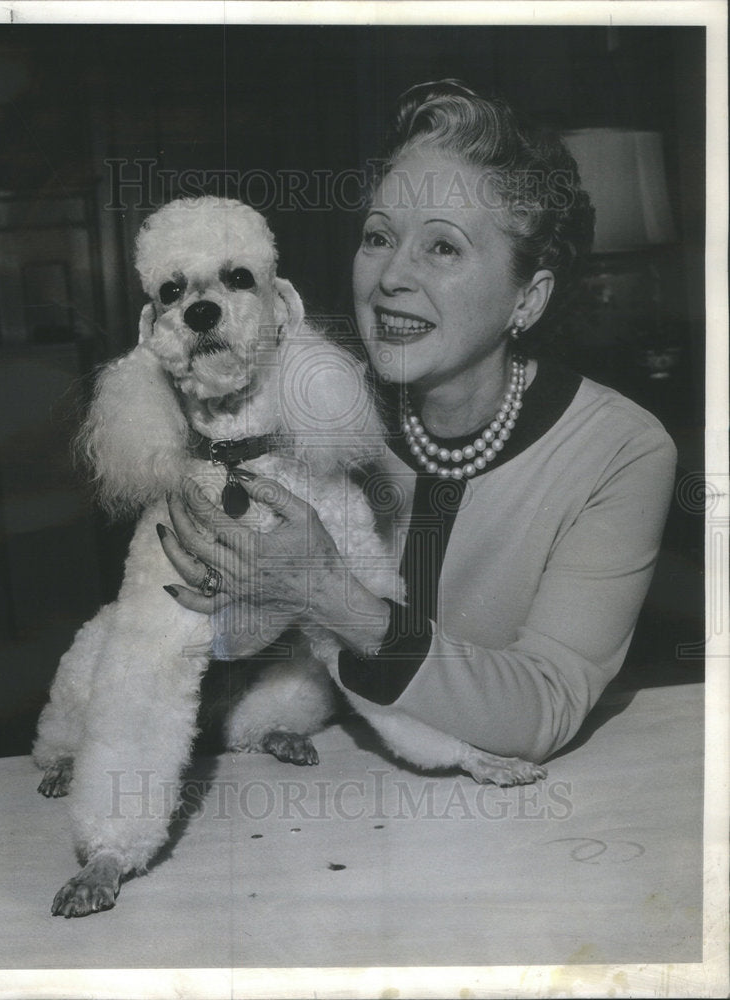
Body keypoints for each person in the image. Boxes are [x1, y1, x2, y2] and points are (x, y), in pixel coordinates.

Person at [157, 79, 677, 764]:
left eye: (442, 247)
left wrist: (333, 598)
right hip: (311, 787)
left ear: (527, 297)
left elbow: (543, 706)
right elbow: (212, 644)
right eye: (378, 237)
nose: (391, 276)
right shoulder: (294, 410)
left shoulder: (619, 450)